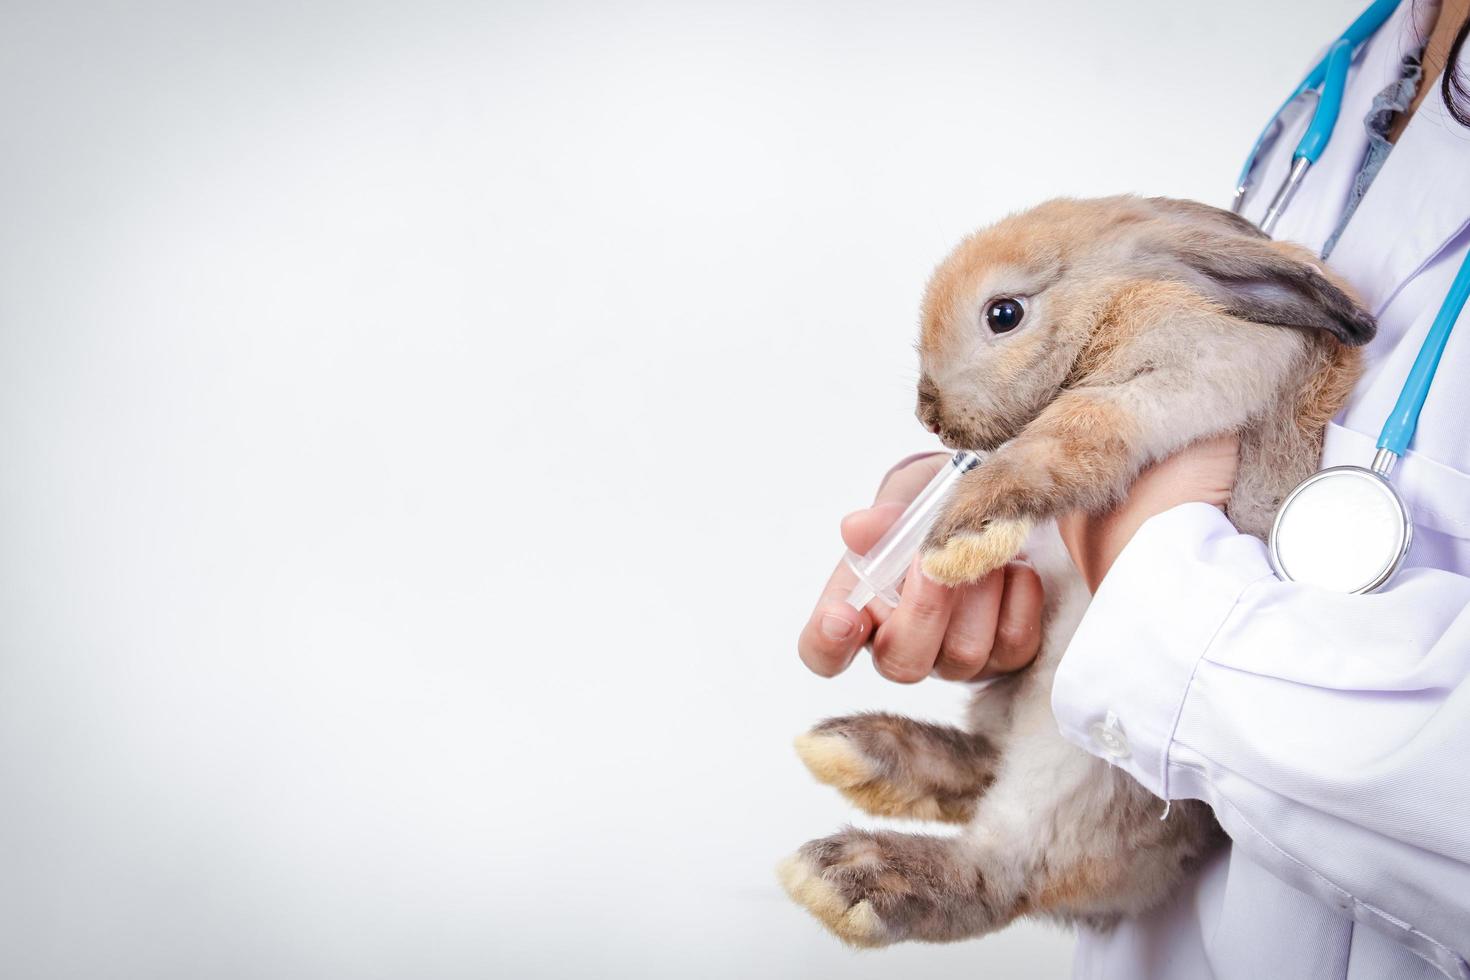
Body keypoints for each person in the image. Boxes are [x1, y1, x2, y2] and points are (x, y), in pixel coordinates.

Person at [797, 2, 1470, 977]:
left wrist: (1157, 586)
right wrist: (1004, 527)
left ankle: (995, 864)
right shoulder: (1381, 56)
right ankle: (992, 772)